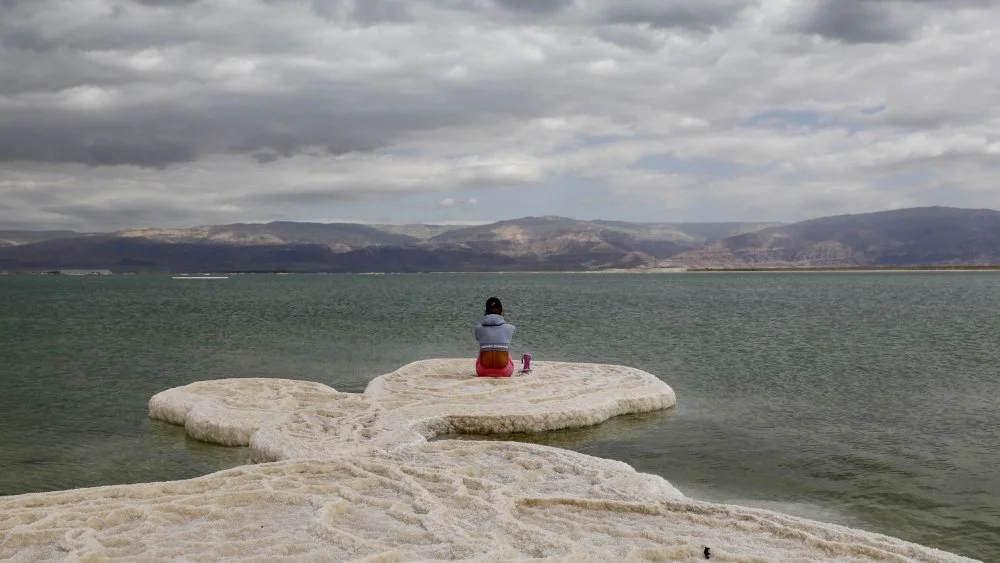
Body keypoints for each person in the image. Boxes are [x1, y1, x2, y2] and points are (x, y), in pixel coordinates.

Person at [474, 296, 516, 377]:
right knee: (506, 349)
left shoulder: (478, 328)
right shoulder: (511, 328)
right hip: (505, 371)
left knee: (483, 349)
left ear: (485, 311)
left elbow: (478, 338)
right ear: (502, 310)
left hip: (483, 371)